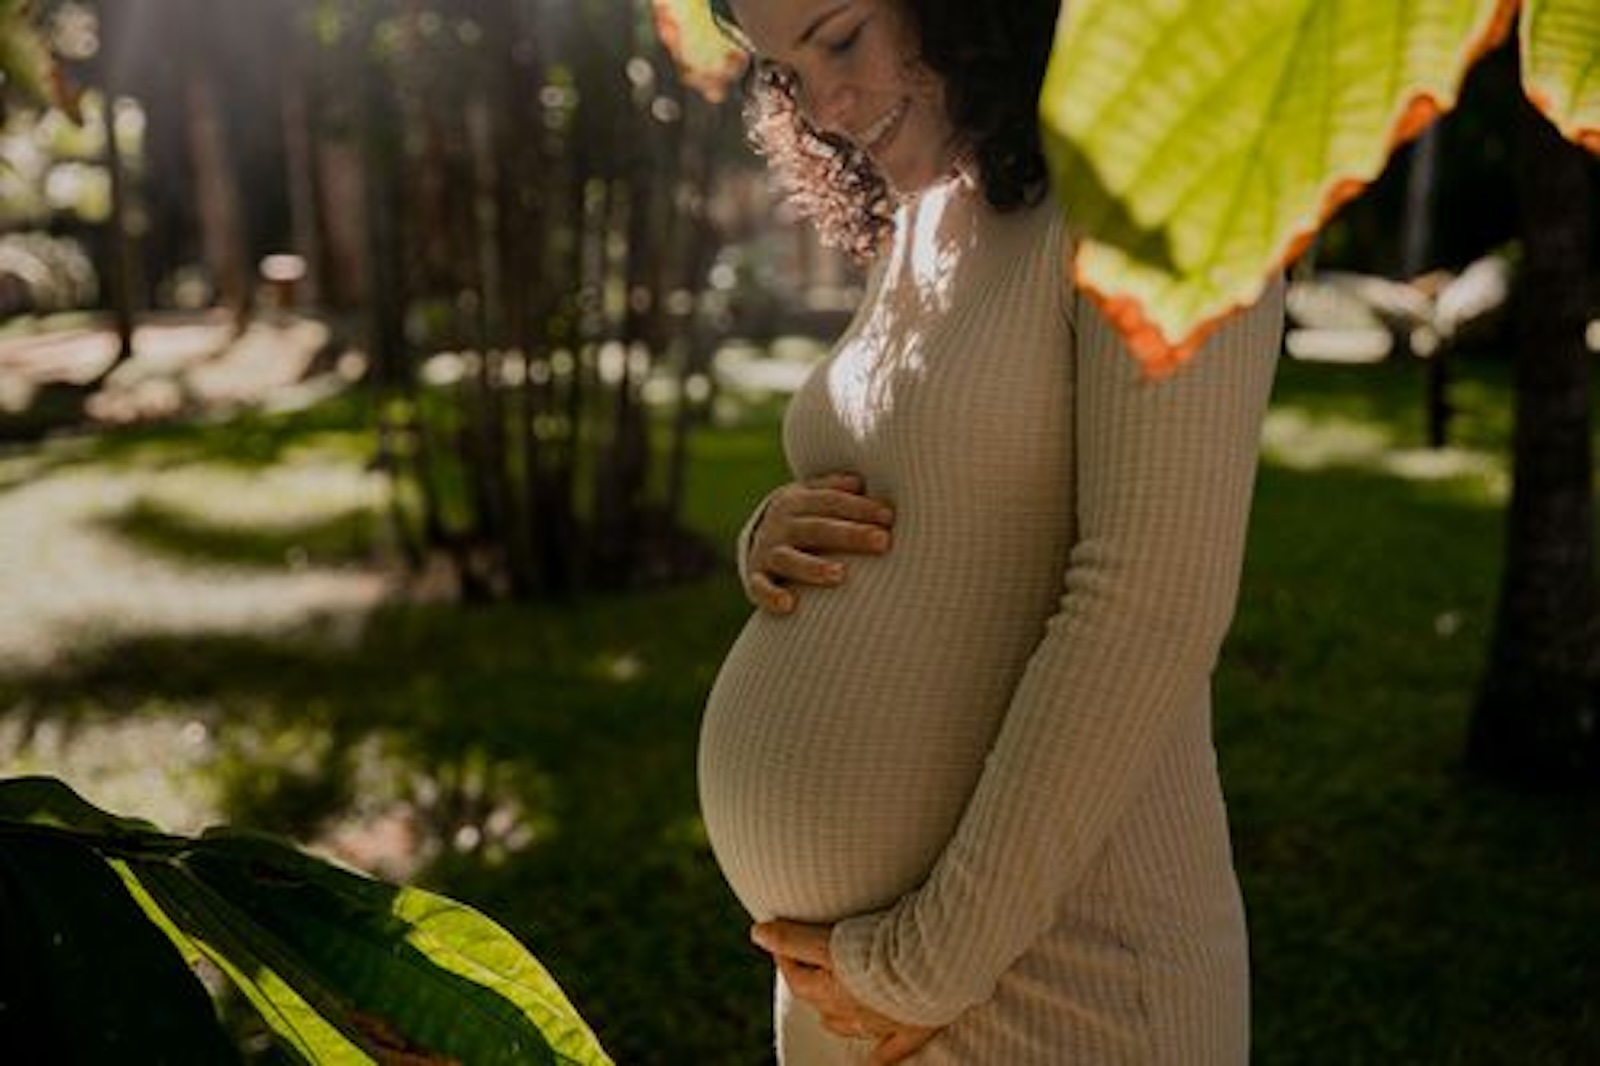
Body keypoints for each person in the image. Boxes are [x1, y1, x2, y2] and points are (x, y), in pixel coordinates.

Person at [695, 1, 1286, 1062]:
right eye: (782, 71)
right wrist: (774, 533)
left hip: (1054, 985)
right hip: (846, 990)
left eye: (837, 38)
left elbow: (1151, 600)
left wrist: (925, 963)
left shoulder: (1169, 177)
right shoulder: (935, 203)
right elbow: (930, 484)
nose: (823, 106)